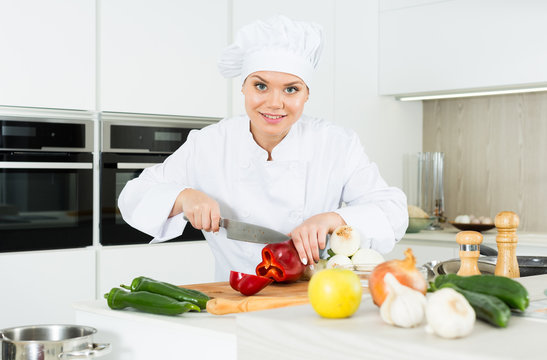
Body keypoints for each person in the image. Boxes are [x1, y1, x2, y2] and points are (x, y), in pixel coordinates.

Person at [118, 15, 408, 281]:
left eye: (291, 89)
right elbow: (134, 196)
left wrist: (334, 219)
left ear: (307, 94)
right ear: (243, 87)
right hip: (234, 295)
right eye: (260, 86)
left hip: (314, 296)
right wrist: (185, 197)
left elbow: (392, 211)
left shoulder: (336, 144)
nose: (274, 103)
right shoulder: (209, 144)